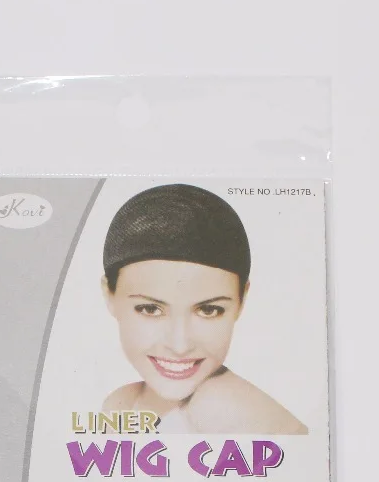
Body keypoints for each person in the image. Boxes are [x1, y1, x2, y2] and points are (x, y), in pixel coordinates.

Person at [101, 184, 307, 434]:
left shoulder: (222, 407)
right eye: (150, 309)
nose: (179, 345)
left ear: (242, 300)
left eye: (209, 310)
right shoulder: (121, 402)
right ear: (109, 294)